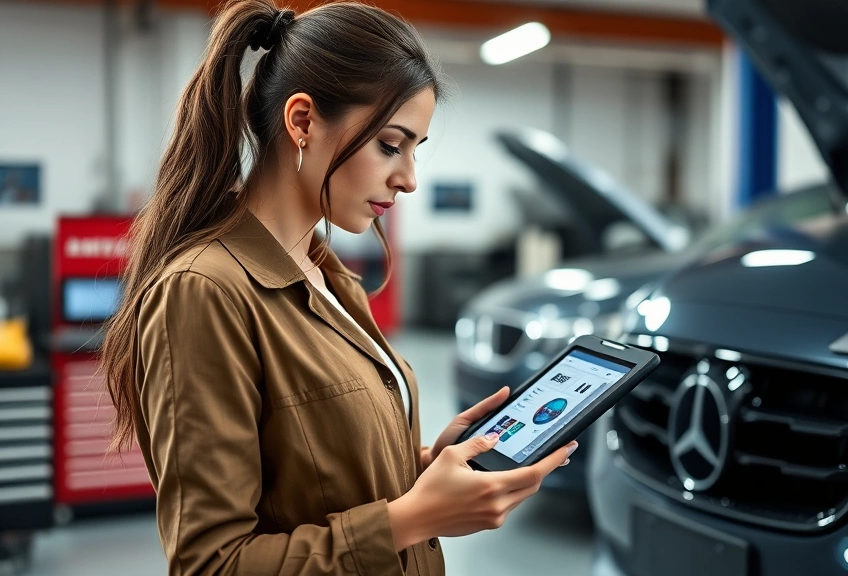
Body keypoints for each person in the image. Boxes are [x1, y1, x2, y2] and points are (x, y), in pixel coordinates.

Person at [98, 2, 577, 575]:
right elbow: (212, 563)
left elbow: (316, 480)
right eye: (390, 145)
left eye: (414, 150)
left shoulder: (329, 277)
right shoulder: (205, 292)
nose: (408, 179)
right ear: (302, 122)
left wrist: (423, 469)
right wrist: (413, 518)